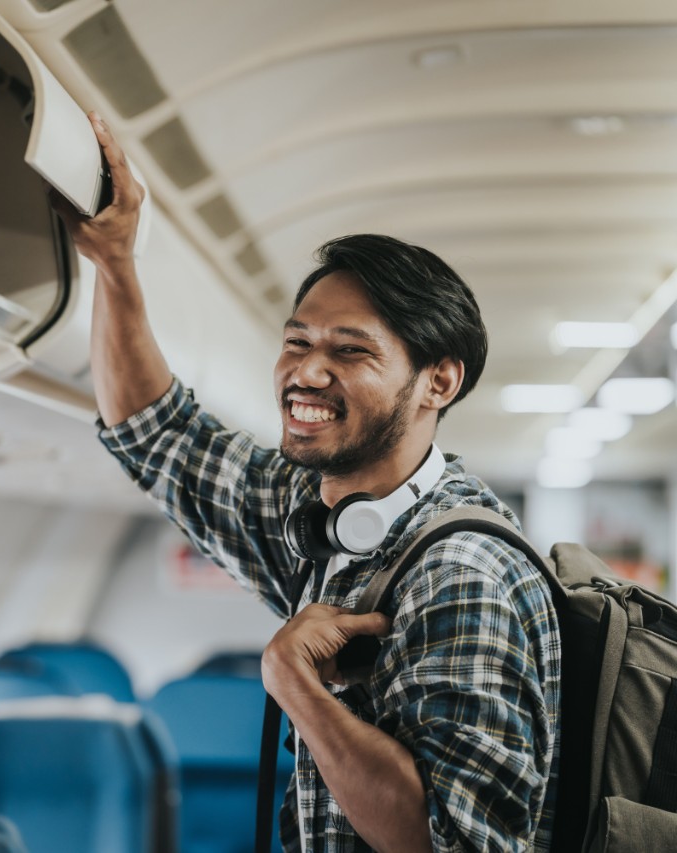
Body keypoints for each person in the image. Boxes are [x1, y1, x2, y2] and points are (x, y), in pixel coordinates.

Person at [51, 113, 561, 852]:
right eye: (297, 342)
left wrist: (294, 684)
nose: (307, 372)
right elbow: (155, 432)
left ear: (437, 381)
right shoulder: (316, 515)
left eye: (350, 351)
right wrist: (116, 264)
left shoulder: (461, 575)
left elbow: (455, 841)